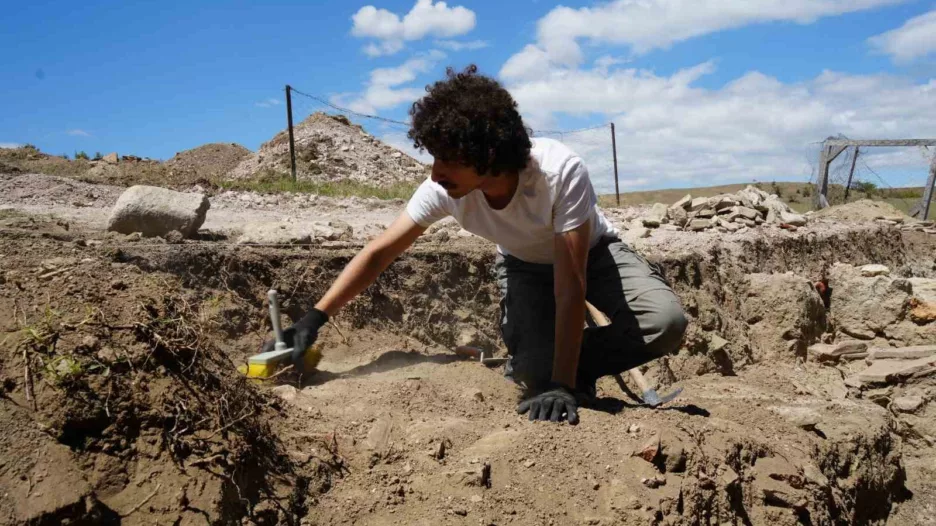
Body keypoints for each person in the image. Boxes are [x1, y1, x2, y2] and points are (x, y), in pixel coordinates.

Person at [264, 65, 687, 425]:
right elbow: (381, 252)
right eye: (433, 157)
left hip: (592, 255)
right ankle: (545, 365)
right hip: (522, 265)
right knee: (533, 375)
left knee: (664, 322)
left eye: (448, 159)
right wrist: (313, 319)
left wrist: (561, 382)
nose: (435, 173)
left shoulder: (560, 172)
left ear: (489, 154)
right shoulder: (444, 190)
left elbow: (571, 284)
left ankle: (569, 369)